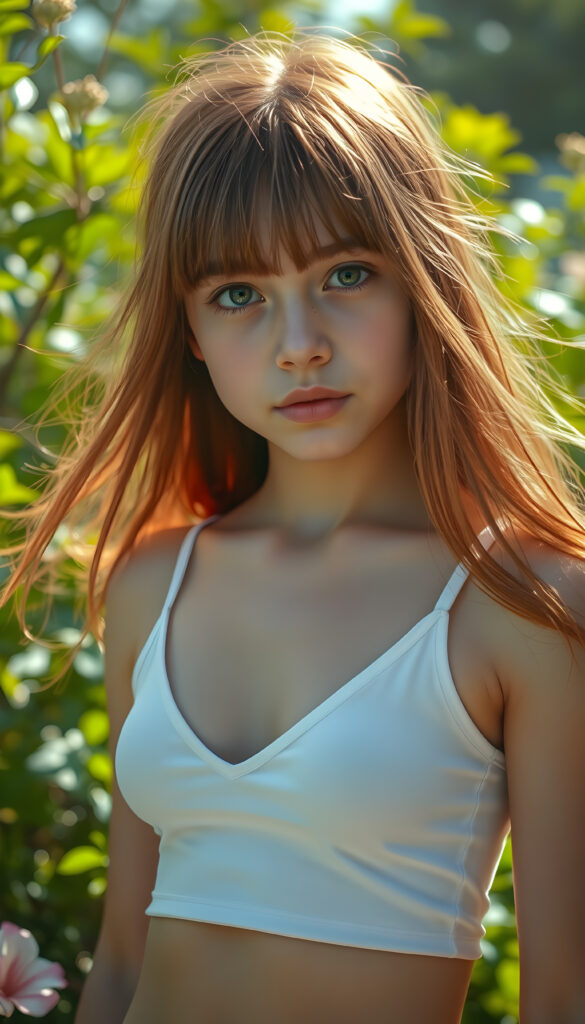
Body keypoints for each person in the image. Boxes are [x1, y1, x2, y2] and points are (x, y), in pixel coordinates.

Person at [2, 30, 585, 1024]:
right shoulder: (155, 580)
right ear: (191, 331)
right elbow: (124, 960)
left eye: (345, 275)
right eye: (240, 295)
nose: (299, 346)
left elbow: (566, 996)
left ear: (421, 280)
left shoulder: (523, 601)